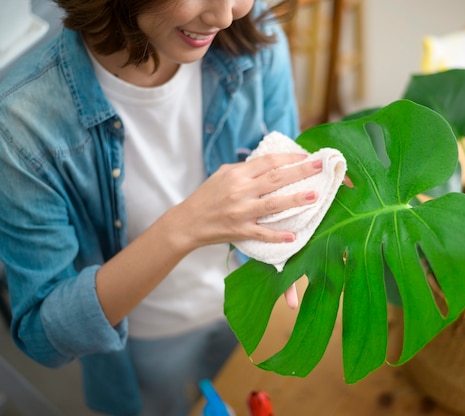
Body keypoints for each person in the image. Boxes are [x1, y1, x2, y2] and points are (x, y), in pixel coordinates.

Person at [0, 0, 319, 415]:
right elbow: (44, 334)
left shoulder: (254, 37)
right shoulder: (23, 126)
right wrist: (185, 226)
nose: (226, 15)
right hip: (145, 344)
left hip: (249, 308)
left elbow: (286, 163)